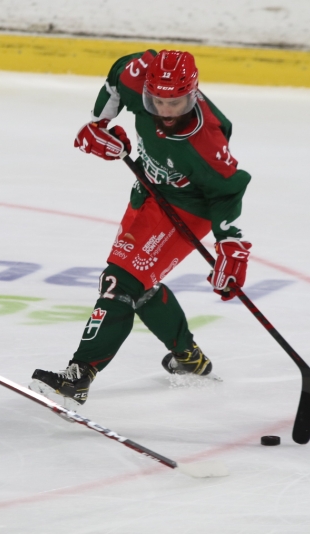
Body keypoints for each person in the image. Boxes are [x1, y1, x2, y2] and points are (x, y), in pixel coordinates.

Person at [30, 50, 252, 408]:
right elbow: (117, 77)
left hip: (189, 207)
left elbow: (227, 191)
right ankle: (188, 357)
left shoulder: (206, 142)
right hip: (148, 192)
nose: (165, 110)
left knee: (120, 283)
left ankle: (80, 374)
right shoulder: (139, 74)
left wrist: (229, 243)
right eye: (157, 100)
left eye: (175, 102)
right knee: (140, 284)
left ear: (193, 94)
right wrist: (97, 125)